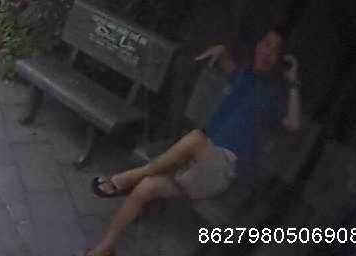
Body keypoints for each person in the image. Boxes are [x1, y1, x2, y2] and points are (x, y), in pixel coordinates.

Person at [79, 29, 303, 256]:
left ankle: (128, 176)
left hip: (221, 167)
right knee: (146, 187)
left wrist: (293, 81)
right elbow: (226, 62)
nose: (267, 51)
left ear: (279, 60)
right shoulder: (243, 75)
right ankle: (104, 249)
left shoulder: (275, 95)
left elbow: (293, 124)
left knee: (195, 138)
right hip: (197, 158)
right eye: (265, 44)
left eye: (275, 50)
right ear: (257, 46)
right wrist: (220, 50)